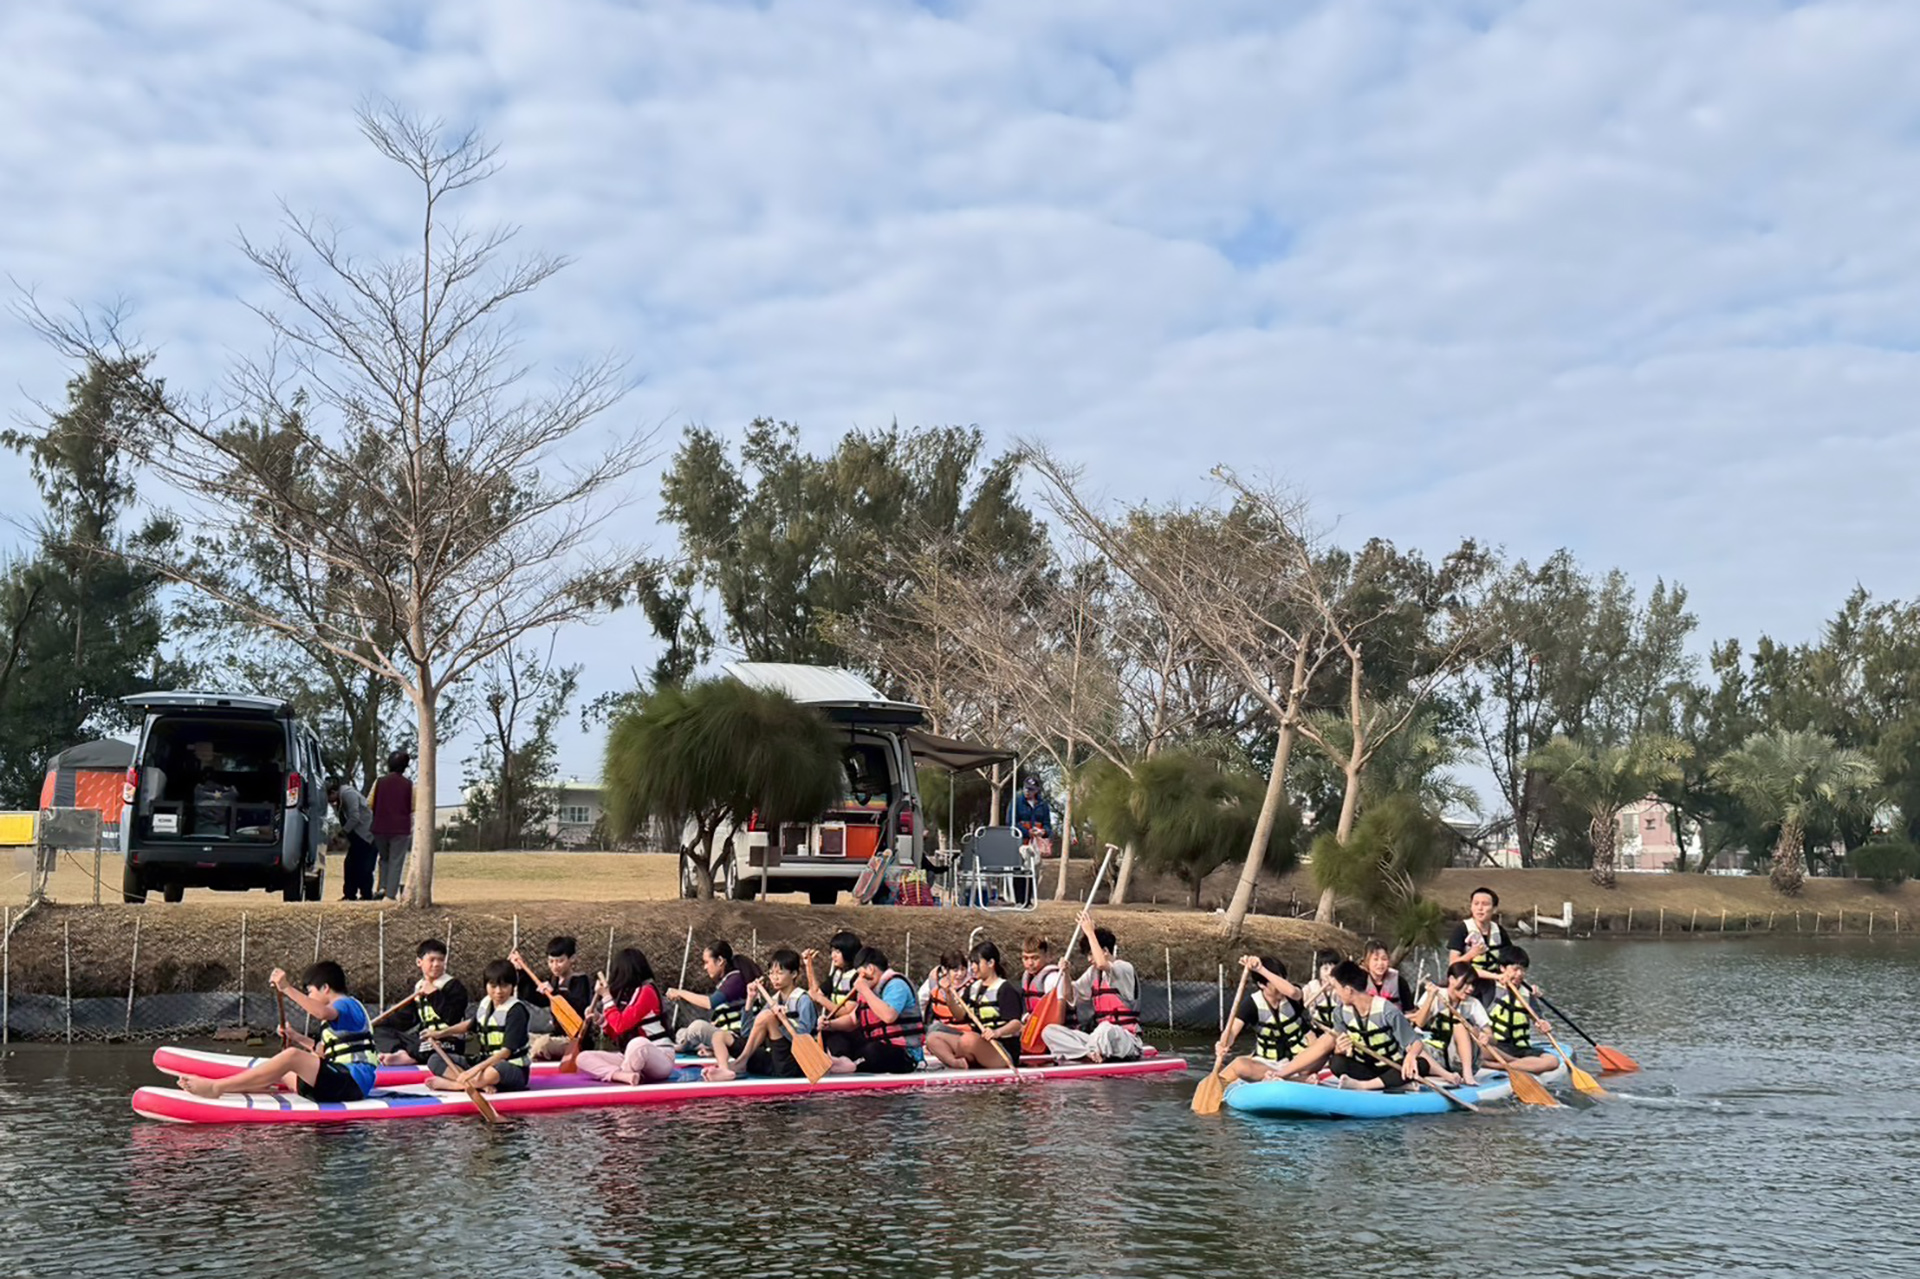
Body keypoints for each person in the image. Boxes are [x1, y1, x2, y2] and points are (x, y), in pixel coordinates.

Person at [174, 962, 379, 1102]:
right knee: (278, 1069)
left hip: (352, 1083)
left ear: (325, 988)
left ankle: (216, 1088)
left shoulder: (346, 1005)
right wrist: (295, 1037)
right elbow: (323, 1052)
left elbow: (320, 1012)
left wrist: (287, 988)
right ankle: (239, 1087)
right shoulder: (337, 1017)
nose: (310, 996)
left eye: (310, 992)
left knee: (290, 1057)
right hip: (335, 1083)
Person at [1276, 960, 1449, 1090]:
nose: (1335, 993)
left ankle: (1366, 1086)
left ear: (1348, 990)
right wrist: (1340, 1049)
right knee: (1337, 1063)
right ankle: (1282, 1074)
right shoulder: (1340, 1012)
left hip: (1391, 1067)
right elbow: (1339, 1048)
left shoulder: (1387, 1011)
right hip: (1366, 1067)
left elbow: (1416, 1042)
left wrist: (1411, 1056)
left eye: (1336, 988)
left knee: (1420, 1064)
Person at [1041, 916, 1142, 1063]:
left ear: (1105, 951)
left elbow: (1102, 963)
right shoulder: (1093, 973)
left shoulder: (1124, 968)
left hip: (1126, 1040)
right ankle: (1089, 1054)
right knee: (1049, 1031)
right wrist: (1066, 974)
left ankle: (1091, 1052)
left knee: (1105, 1028)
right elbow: (1071, 997)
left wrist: (1090, 932)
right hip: (1100, 1039)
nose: (1089, 959)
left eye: (1090, 954)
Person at [705, 950, 818, 1081]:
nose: (774, 978)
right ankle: (725, 1070)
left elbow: (804, 1036)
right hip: (773, 1059)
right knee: (719, 1035)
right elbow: (747, 1033)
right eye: (771, 973)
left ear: (793, 974)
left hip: (791, 1064)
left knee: (767, 1016)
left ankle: (740, 1063)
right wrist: (750, 1000)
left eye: (780, 973)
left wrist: (782, 1021)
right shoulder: (774, 1001)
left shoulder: (803, 999)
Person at [427, 959, 532, 1094]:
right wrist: (440, 1033)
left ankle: (455, 1085)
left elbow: (506, 1053)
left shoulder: (516, 1011)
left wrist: (473, 1071)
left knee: (494, 1071)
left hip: (510, 1068)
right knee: (435, 1059)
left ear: (513, 986)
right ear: (486, 986)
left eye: (504, 986)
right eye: (493, 986)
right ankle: (478, 1085)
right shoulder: (486, 1004)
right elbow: (469, 1025)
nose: (499, 991)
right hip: (483, 1061)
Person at [575, 948, 677, 1085]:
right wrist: (599, 1020)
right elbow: (617, 1034)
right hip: (630, 1057)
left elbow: (620, 1025)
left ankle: (626, 1072)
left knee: (637, 1044)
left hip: (659, 1056)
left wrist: (606, 996)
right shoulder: (625, 994)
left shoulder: (647, 991)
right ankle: (622, 1075)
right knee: (583, 1057)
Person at [820, 947, 923, 1074]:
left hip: (903, 1053)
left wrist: (864, 990)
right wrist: (829, 1025)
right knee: (834, 1032)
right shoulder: (869, 989)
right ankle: (842, 1060)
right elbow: (853, 1020)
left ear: (870, 969)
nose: (858, 979)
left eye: (860, 973)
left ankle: (852, 1065)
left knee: (873, 1050)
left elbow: (889, 1016)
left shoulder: (896, 984)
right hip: (874, 1044)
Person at [926, 941, 1026, 1070]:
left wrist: (996, 1032)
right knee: (933, 1038)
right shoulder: (973, 988)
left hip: (1001, 1048)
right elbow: (960, 1016)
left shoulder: (1005, 988)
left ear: (990, 963)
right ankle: (959, 1065)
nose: (973, 967)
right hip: (976, 1042)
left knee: (968, 1040)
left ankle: (970, 1061)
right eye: (972, 963)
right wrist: (949, 994)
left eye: (976, 963)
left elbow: (1016, 1024)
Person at [1216, 955, 1312, 1086]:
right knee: (1240, 1065)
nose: (1280, 985)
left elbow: (1292, 991)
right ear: (1261, 984)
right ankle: (1291, 1080)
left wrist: (1260, 969)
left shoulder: (1292, 995)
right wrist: (1223, 1043)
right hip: (1267, 1063)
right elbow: (1232, 1031)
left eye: (1282, 978)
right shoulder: (1252, 1004)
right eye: (1275, 982)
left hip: (1299, 1060)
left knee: (1322, 1048)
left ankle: (1289, 1077)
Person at [376, 938, 471, 1065]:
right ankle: (400, 1053)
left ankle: (413, 1057)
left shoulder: (454, 986)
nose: (437, 964)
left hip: (448, 1041)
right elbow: (406, 1018)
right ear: (419, 962)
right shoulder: (419, 987)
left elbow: (451, 1018)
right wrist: (381, 1022)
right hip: (424, 1040)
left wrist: (433, 994)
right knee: (379, 1030)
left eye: (441, 960)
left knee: (430, 1049)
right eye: (432, 960)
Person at [513, 935, 597, 1060]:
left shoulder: (580, 980)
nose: (555, 966)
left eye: (560, 961)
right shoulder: (554, 980)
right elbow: (537, 999)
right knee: (520, 1039)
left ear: (572, 959)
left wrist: (555, 992)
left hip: (575, 1039)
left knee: (542, 1046)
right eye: (551, 961)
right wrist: (521, 972)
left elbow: (577, 1006)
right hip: (556, 1036)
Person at [1480, 946, 1560, 1076]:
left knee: (1553, 1061)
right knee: (1479, 1047)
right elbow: (1466, 971)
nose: (1520, 974)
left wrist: (1542, 1024)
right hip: (1496, 1047)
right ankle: (1522, 1065)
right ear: (1502, 968)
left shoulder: (1528, 993)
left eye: (1523, 970)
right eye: (1515, 969)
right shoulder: (1488, 987)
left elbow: (1537, 1018)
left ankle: (1499, 1066)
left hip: (1520, 1049)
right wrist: (1496, 976)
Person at [1409, 961, 1492, 1086]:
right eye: (1466, 983)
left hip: (1459, 1061)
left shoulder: (1473, 1004)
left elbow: (1491, 1036)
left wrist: (1485, 1037)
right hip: (1436, 1058)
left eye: (1473, 985)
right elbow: (1419, 1023)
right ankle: (1446, 1075)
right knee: (1412, 1045)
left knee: (1459, 1026)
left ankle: (1467, 1076)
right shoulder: (1436, 995)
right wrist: (1431, 997)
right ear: (1452, 979)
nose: (1471, 989)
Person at [668, 940, 752, 1054]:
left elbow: (709, 1003)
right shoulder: (728, 980)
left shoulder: (735, 980)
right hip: (725, 1035)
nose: (705, 967)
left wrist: (680, 992)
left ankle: (683, 1047)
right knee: (682, 1032)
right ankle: (710, 1048)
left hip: (735, 1038)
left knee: (697, 1027)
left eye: (707, 962)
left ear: (720, 961)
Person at [803, 932, 863, 1059]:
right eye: (832, 951)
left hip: (850, 1032)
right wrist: (808, 965)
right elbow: (815, 991)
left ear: (848, 952)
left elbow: (847, 1012)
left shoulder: (856, 977)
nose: (832, 956)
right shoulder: (837, 974)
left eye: (837, 952)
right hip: (832, 1027)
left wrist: (820, 998)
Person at [1448, 886, 1514, 1000]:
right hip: (1466, 983)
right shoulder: (1462, 929)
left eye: (1485, 904)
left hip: (1493, 983)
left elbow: (1511, 960)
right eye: (1476, 904)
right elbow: (1452, 964)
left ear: (1494, 909)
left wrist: (1509, 974)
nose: (1480, 908)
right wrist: (1472, 953)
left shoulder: (1499, 931)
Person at [369, 750, 415, 902]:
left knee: (384, 858)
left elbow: (370, 802)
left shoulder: (379, 782)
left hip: (380, 826)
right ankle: (390, 894)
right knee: (396, 860)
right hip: (400, 828)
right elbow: (414, 805)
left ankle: (382, 886)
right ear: (405, 767)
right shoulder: (409, 785)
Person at [326, 777, 378, 901]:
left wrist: (342, 833)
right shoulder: (340, 799)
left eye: (328, 798)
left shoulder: (348, 794)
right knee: (350, 865)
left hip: (366, 835)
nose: (328, 802)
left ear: (333, 792)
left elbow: (355, 817)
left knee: (364, 867)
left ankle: (365, 895)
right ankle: (350, 894)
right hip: (358, 836)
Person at [919, 951, 969, 1038]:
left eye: (963, 969)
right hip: (940, 1026)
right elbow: (920, 1003)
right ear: (945, 970)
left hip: (964, 1030)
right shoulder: (933, 982)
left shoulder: (971, 985)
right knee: (933, 1029)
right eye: (955, 970)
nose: (960, 974)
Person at [1360, 940, 1415, 1013]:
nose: (1380, 963)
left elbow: (1409, 1010)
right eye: (1375, 959)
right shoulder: (1359, 980)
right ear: (1367, 961)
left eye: (1384, 959)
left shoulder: (1399, 982)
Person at [1013, 775, 1055, 852]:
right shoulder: (1016, 802)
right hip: (1019, 843)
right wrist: (1027, 832)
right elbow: (1011, 822)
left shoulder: (1043, 804)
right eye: (1025, 788)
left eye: (1030, 789)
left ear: (1036, 790)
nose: (1027, 791)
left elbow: (1047, 824)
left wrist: (1044, 832)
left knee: (1036, 863)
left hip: (1037, 846)